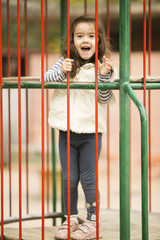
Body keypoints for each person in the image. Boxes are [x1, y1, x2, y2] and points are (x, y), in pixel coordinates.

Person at [44, 15, 116, 240]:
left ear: (99, 41)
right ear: (72, 41)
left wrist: (104, 77)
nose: (85, 40)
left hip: (91, 133)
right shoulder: (65, 62)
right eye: (79, 36)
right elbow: (46, 79)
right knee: (69, 177)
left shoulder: (102, 67)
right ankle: (71, 219)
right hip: (66, 131)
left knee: (88, 178)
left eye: (91, 36)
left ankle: (93, 222)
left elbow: (104, 99)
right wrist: (62, 71)